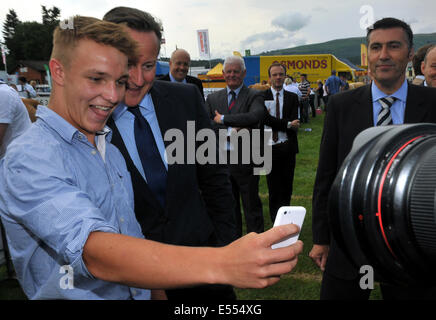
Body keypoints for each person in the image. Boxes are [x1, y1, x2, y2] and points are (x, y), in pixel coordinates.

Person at [0, 15, 303, 301]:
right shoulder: (28, 157)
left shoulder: (107, 148)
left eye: (118, 80)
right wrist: (224, 262)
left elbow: (132, 230)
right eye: (96, 78)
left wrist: (157, 291)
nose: (113, 95)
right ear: (58, 72)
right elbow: (93, 250)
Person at [103, 7, 238, 300]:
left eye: (149, 65)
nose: (138, 79)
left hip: (206, 266)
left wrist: (225, 249)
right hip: (137, 281)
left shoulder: (185, 100)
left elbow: (215, 178)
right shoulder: (91, 121)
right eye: (128, 64)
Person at [310, 17, 436, 300]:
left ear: (409, 52)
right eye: (376, 47)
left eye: (394, 46)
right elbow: (326, 175)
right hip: (349, 239)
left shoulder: (432, 103)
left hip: (413, 242)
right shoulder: (341, 106)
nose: (384, 55)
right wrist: (321, 238)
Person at [205, 55, 265, 238]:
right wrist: (235, 127)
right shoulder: (213, 98)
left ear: (244, 73)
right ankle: (235, 244)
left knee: (251, 206)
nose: (232, 75)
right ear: (223, 73)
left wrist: (223, 119)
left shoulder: (255, 95)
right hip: (222, 162)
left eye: (236, 71)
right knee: (229, 208)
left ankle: (258, 245)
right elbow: (206, 124)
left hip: (247, 161)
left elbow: (255, 117)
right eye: (229, 71)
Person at [262, 63, 300, 223]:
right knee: (273, 187)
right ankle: (275, 221)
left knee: (287, 187)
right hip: (268, 147)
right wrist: (287, 124)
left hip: (287, 147)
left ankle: (286, 220)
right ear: (270, 77)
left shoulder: (292, 97)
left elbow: (296, 122)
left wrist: (288, 124)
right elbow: (264, 119)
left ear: (285, 76)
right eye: (275, 74)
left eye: (281, 74)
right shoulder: (261, 97)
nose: (278, 77)